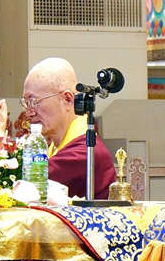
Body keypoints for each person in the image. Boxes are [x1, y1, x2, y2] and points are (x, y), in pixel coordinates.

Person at [22, 57, 115, 199]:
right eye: (26, 103)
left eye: (34, 102)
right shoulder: (54, 146)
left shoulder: (85, 152)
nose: (29, 113)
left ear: (67, 99)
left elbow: (25, 187)